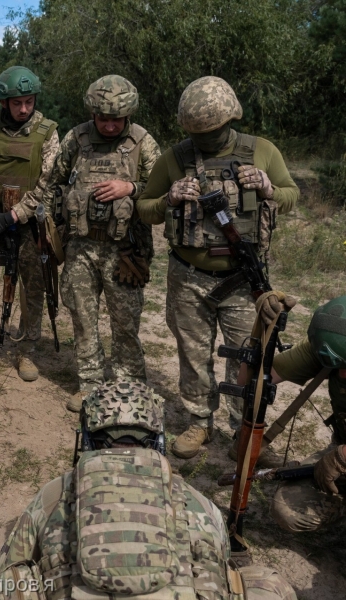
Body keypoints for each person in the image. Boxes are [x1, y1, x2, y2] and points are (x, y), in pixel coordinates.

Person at [0, 379, 297, 600]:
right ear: (158, 440)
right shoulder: (199, 503)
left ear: (85, 438)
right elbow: (219, 560)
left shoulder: (53, 494)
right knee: (262, 582)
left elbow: (8, 567)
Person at [138, 76, 299, 459]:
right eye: (198, 133)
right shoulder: (175, 158)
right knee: (193, 353)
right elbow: (145, 207)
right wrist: (169, 198)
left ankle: (241, 426)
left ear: (230, 119)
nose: (206, 139)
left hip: (242, 280)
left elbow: (291, 195)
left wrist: (267, 188)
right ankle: (199, 422)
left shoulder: (261, 151)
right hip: (188, 277)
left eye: (213, 131)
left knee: (245, 355)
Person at [43, 75, 160, 412]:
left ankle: (129, 387)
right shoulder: (76, 139)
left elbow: (162, 190)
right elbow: (55, 183)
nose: (109, 125)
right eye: (103, 118)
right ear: (93, 113)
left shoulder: (142, 142)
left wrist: (131, 189)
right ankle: (90, 384)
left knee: (126, 323)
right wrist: (54, 230)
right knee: (82, 318)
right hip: (81, 247)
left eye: (116, 119)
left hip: (123, 250)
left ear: (128, 116)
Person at [0, 66, 59, 381]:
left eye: (29, 102)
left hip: (30, 225)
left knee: (34, 288)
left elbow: (49, 181)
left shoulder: (46, 131)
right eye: (17, 103)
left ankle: (26, 350)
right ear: (4, 102)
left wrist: (17, 214)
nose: (24, 109)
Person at [257, 295, 346, 532]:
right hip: (340, 455)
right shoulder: (331, 342)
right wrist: (262, 330)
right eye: (341, 369)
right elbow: (251, 380)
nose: (343, 376)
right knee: (291, 511)